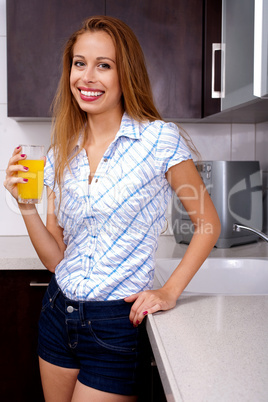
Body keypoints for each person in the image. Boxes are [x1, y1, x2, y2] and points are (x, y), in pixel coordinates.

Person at [4, 16, 221, 402]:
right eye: (79, 63)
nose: (87, 77)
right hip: (57, 310)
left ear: (126, 74)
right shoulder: (60, 151)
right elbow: (57, 259)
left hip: (114, 324)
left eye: (103, 65)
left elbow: (208, 223)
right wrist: (26, 207)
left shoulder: (158, 139)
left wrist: (170, 292)